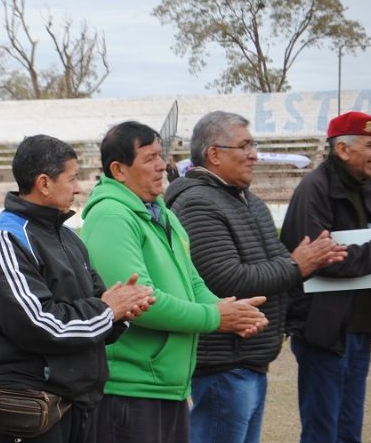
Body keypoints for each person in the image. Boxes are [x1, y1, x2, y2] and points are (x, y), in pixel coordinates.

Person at [80, 120, 269, 443]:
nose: (161, 166)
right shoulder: (112, 216)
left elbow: (191, 280)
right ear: (119, 170)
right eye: (149, 158)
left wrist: (229, 309)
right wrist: (216, 318)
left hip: (166, 387)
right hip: (130, 388)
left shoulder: (159, 211)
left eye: (161, 156)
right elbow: (141, 301)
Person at [164, 111, 346, 443]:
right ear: (214, 154)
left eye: (254, 144)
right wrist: (297, 266)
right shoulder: (197, 203)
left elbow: (277, 262)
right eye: (245, 145)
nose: (254, 154)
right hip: (224, 365)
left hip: (249, 360)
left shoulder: (249, 202)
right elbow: (226, 278)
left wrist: (301, 262)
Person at [0, 134, 155, 443]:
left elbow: (96, 307)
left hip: (78, 402)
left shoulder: (69, 238)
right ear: (43, 183)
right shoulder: (5, 238)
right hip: (31, 408)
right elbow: (40, 324)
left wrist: (121, 314)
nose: (79, 188)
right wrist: (108, 310)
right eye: (73, 178)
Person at [280, 111, 371, 443]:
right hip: (324, 332)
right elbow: (325, 260)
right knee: (321, 433)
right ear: (343, 149)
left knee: (348, 432)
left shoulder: (363, 187)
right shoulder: (314, 189)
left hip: (357, 328)